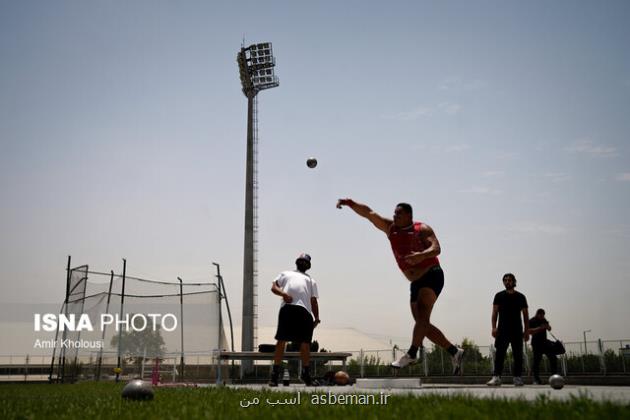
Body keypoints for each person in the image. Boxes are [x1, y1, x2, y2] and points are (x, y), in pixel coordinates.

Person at [336, 199, 464, 374]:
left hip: (432, 274)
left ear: (409, 216)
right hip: (415, 282)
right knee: (422, 325)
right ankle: (454, 351)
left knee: (422, 315)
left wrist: (420, 255)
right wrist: (350, 203)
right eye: (394, 213)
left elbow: (436, 248)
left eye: (399, 214)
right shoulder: (391, 228)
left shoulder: (421, 229)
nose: (395, 216)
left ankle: (411, 354)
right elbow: (369, 214)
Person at [268, 253, 320, 386]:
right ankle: (274, 375)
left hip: (305, 312)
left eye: (305, 261)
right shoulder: (286, 274)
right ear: (297, 262)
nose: (303, 263)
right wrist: (283, 293)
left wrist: (316, 318)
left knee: (305, 344)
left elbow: (313, 301)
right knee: (281, 341)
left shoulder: (311, 280)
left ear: (308, 265)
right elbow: (274, 287)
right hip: (288, 308)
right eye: (301, 260)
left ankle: (306, 374)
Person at [487, 273, 529, 387]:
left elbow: (525, 315)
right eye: (505, 280)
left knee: (518, 355)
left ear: (514, 282)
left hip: (516, 330)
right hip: (502, 330)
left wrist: (526, 331)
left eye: (509, 280)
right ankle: (496, 377)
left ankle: (517, 378)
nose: (507, 282)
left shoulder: (521, 297)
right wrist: (494, 327)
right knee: (500, 354)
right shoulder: (499, 296)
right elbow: (494, 312)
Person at [529, 308, 558, 384]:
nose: (542, 316)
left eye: (543, 315)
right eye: (541, 315)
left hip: (545, 343)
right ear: (537, 314)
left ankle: (554, 376)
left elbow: (549, 328)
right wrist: (540, 328)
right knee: (537, 361)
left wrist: (548, 327)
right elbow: (529, 332)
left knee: (553, 358)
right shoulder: (532, 321)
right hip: (536, 343)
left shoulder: (544, 320)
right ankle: (536, 379)